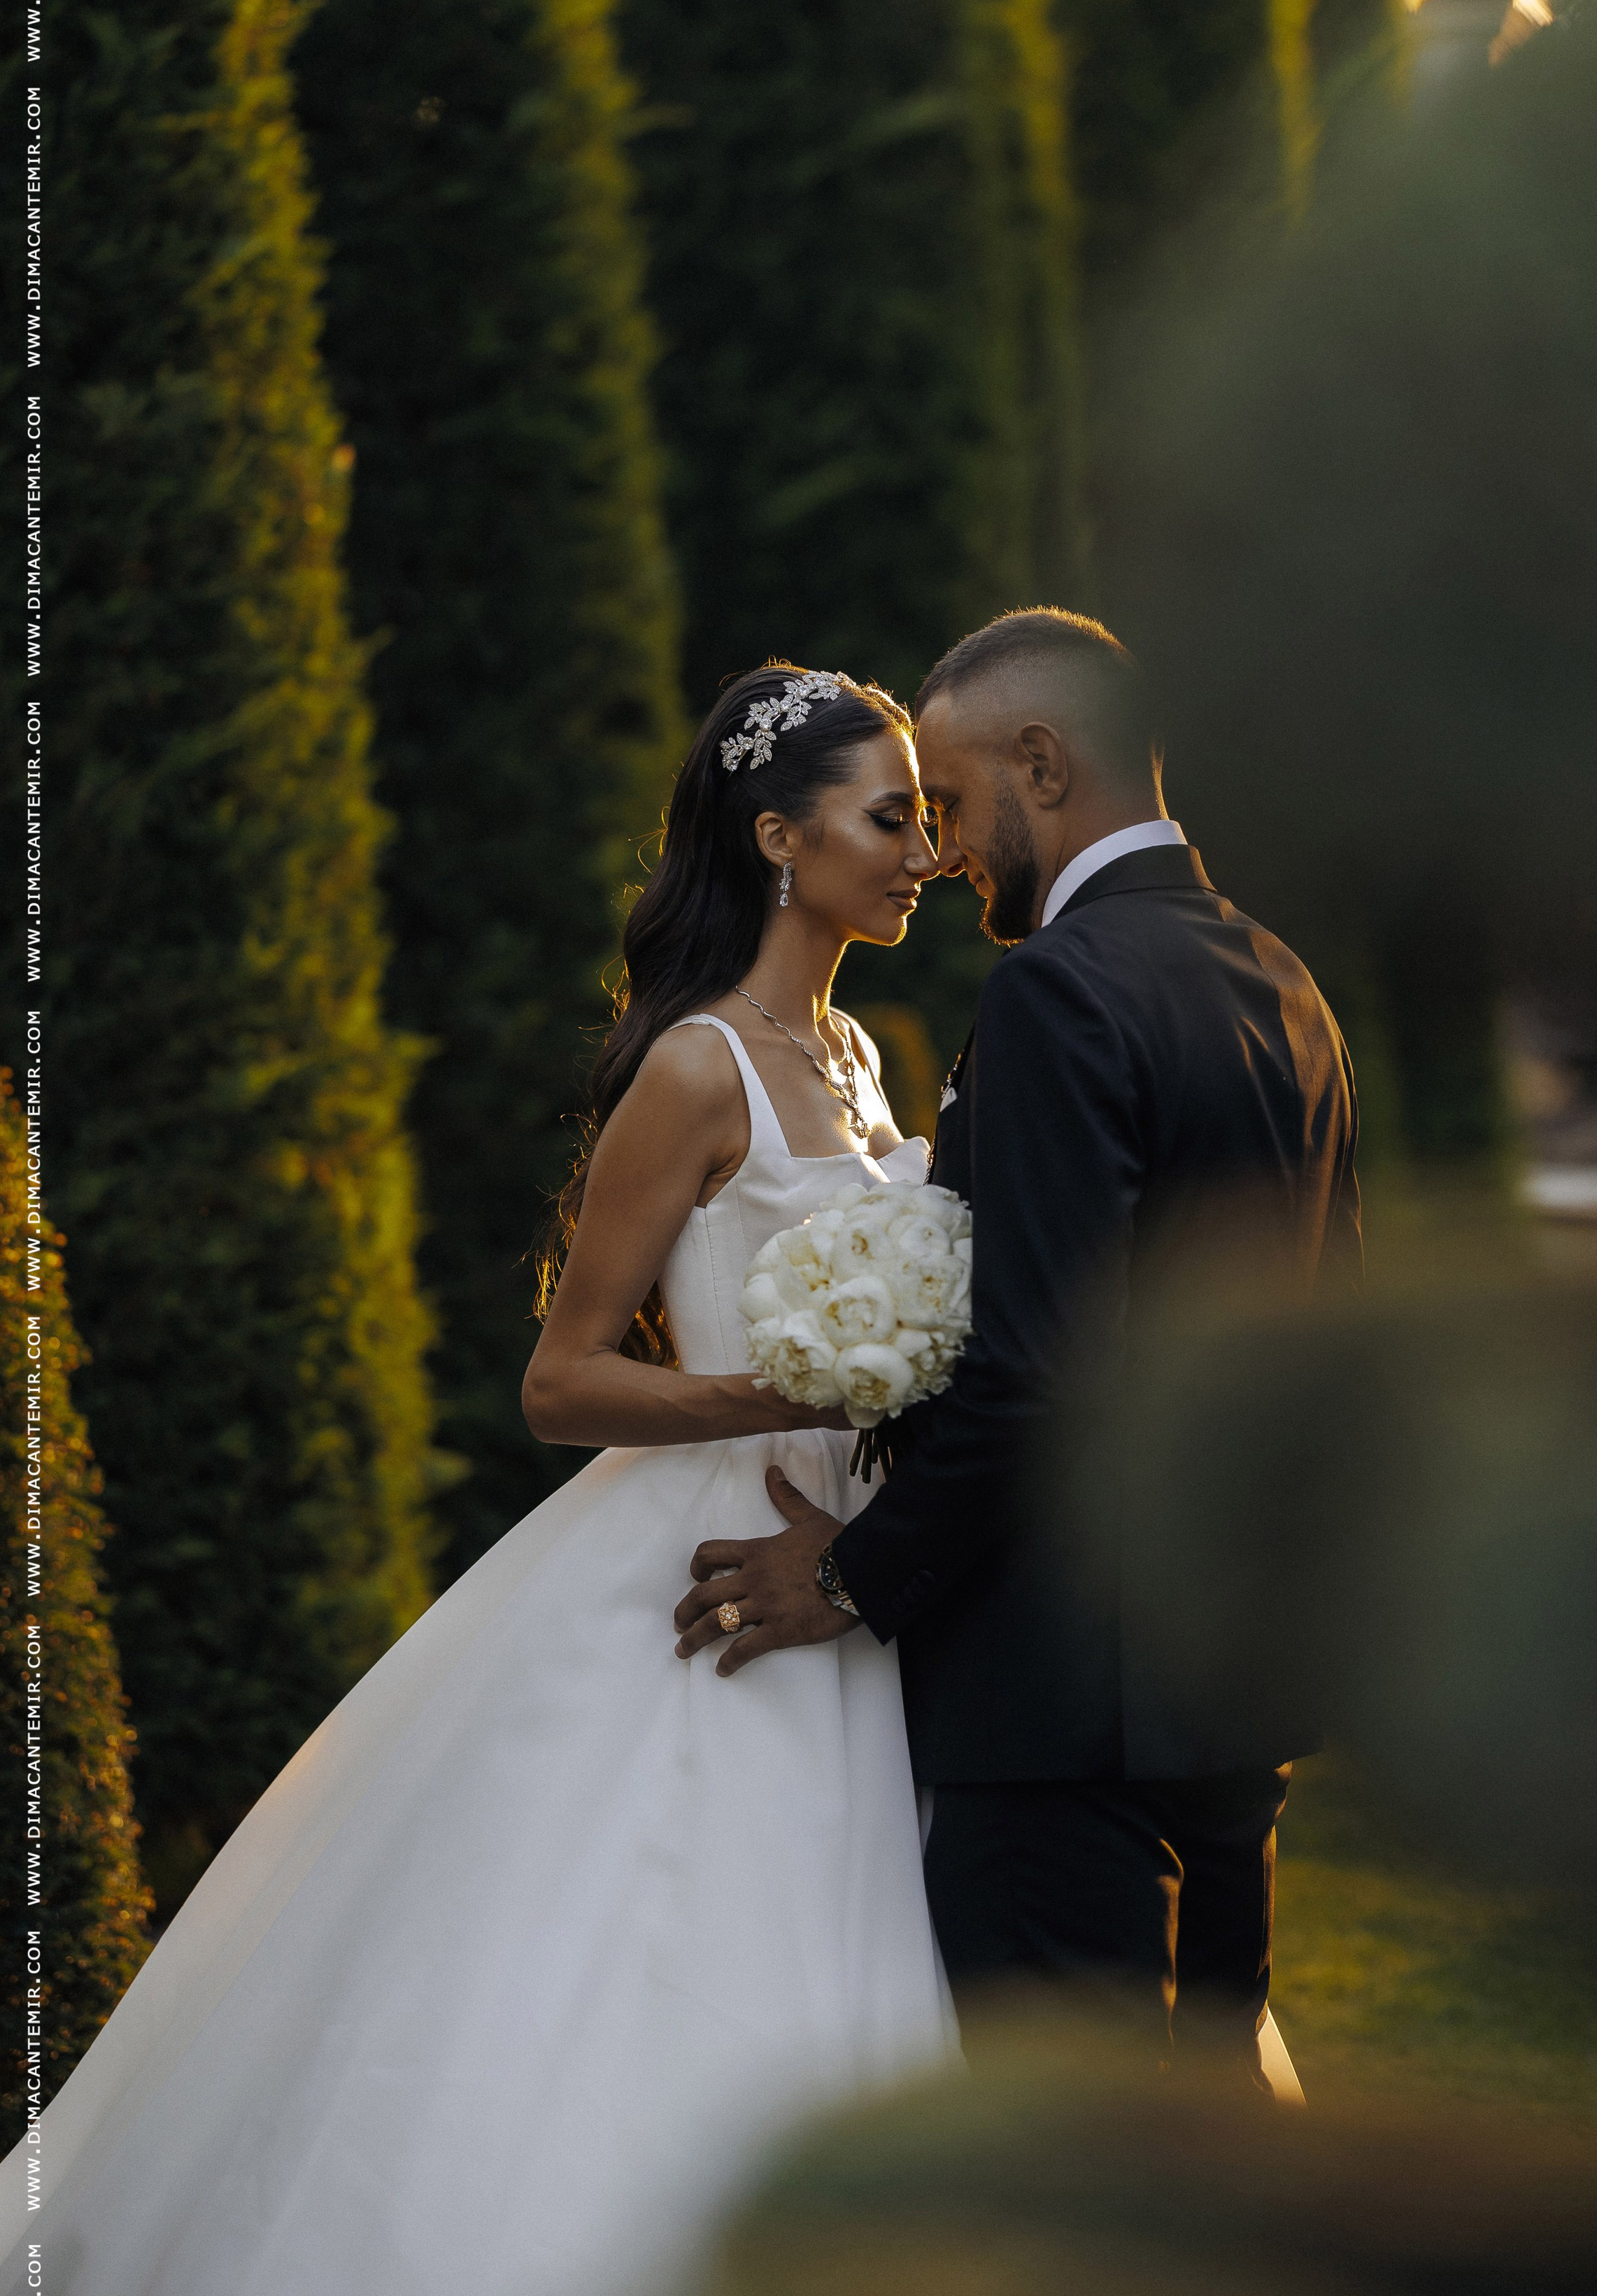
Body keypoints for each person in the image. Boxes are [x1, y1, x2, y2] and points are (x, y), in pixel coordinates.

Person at [0, 665, 953, 2296]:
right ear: (779, 837)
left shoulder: (859, 1050)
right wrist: (773, 1390)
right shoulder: (695, 1069)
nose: (923, 848)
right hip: (707, 1565)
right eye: (891, 815)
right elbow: (561, 1377)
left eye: (926, 815)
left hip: (845, 1577)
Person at [673, 609, 1361, 2071]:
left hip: (1059, 1725)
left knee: (1075, 2185)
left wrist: (852, 1575)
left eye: (957, 803)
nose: (945, 850)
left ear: (1040, 763)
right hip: (1229, 1704)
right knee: (1201, 2157)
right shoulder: (1282, 987)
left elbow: (1032, 1370)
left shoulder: (1058, 992)